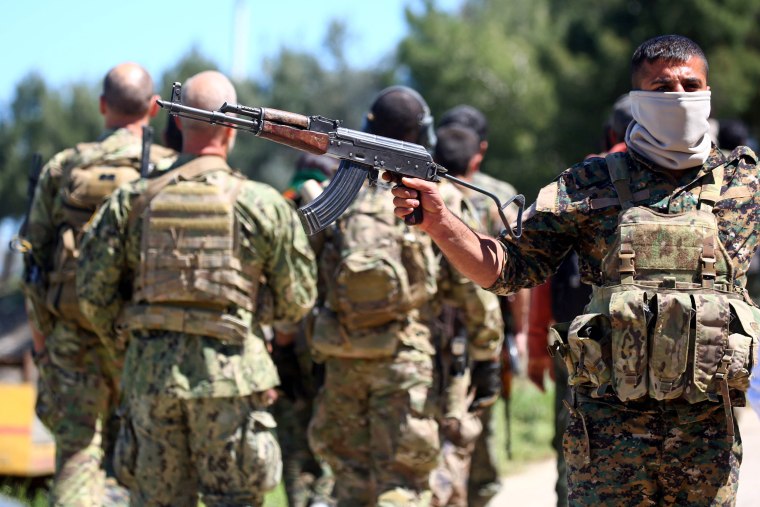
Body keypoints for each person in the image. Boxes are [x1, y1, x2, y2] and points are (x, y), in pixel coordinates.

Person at [389, 34, 759, 505]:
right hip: (609, 444)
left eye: (691, 85)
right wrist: (440, 222)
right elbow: (507, 269)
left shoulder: (745, 183)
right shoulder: (587, 185)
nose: (680, 97)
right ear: (639, 99)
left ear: (708, 93)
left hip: (706, 442)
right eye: (662, 87)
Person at [76, 70, 318, 505]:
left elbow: (93, 294)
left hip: (150, 381)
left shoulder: (133, 200)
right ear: (232, 128)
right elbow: (297, 302)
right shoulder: (261, 204)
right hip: (232, 383)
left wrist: (129, 346)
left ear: (180, 123)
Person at [307, 86, 502, 507]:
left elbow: (308, 279)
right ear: (424, 132)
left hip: (342, 359)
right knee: (406, 486)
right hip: (407, 363)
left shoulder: (336, 193)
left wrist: (296, 341)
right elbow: (471, 285)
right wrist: (488, 356)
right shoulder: (440, 197)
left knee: (349, 486)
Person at [20, 62, 176, 506]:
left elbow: (33, 259)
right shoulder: (170, 169)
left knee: (76, 456)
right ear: (152, 107)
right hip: (145, 340)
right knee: (150, 458)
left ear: (103, 105)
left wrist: (42, 342)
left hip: (71, 334)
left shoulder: (63, 167)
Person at [437, 104, 526, 506]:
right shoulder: (500, 196)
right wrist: (521, 333)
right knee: (478, 431)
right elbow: (522, 277)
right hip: (485, 331)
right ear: (481, 149)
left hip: (432, 332)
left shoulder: (416, 186)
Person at [427, 124, 505, 507]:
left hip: (417, 344)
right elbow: (483, 285)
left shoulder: (419, 197)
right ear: (477, 157)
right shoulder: (479, 202)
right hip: (456, 343)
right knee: (454, 446)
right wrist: (492, 352)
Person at [273, 152, 338, 507]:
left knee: (296, 444)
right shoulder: (340, 210)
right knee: (332, 440)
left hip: (289, 342)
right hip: (333, 345)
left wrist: (280, 346)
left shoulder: (279, 208)